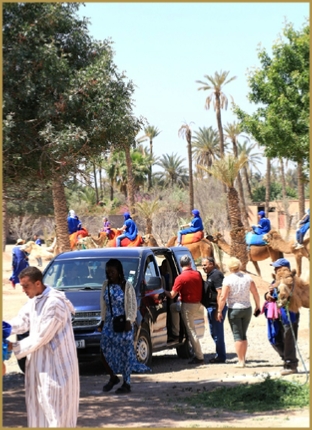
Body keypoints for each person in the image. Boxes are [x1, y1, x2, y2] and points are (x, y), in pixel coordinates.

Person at [7, 266, 79, 427]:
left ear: (38, 283)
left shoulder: (54, 304)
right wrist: (5, 327)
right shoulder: (34, 300)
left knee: (57, 416)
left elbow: (41, 337)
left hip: (57, 370)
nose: (24, 290)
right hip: (39, 368)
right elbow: (22, 321)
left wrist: (13, 346)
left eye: (26, 286)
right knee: (38, 414)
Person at [99, 258, 150, 394]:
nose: (110, 274)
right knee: (103, 350)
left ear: (119, 272)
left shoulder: (126, 286)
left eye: (112, 272)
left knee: (126, 354)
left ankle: (126, 383)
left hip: (124, 323)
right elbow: (103, 305)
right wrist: (102, 321)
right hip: (110, 323)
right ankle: (113, 377)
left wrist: (130, 320)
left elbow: (132, 305)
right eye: (107, 272)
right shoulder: (106, 285)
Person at [217, 257, 260, 368]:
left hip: (234, 309)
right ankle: (243, 359)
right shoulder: (247, 277)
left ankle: (241, 361)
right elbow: (255, 293)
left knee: (237, 335)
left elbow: (223, 297)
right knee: (243, 334)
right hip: (247, 308)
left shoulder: (228, 279)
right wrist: (258, 306)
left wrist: (219, 310)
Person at [164, 254, 204, 364]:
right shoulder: (197, 274)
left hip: (187, 306)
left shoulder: (180, 278)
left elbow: (172, 295)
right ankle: (176, 333)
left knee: (191, 331)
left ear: (181, 265)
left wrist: (163, 291)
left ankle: (199, 356)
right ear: (190, 263)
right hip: (198, 304)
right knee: (174, 307)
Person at [263, 258, 299, 375]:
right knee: (275, 338)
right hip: (277, 315)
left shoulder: (291, 281)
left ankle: (291, 364)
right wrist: (268, 294)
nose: (275, 269)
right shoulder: (275, 280)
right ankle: (286, 360)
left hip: (290, 315)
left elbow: (288, 296)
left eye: (277, 267)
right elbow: (271, 296)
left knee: (289, 340)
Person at [202, 257, 227, 364]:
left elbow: (220, 293)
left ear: (211, 264)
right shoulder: (210, 274)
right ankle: (219, 354)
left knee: (218, 332)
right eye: (202, 265)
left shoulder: (216, 275)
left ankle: (221, 356)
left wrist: (219, 310)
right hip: (211, 307)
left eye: (205, 265)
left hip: (216, 308)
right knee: (213, 332)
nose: (203, 267)